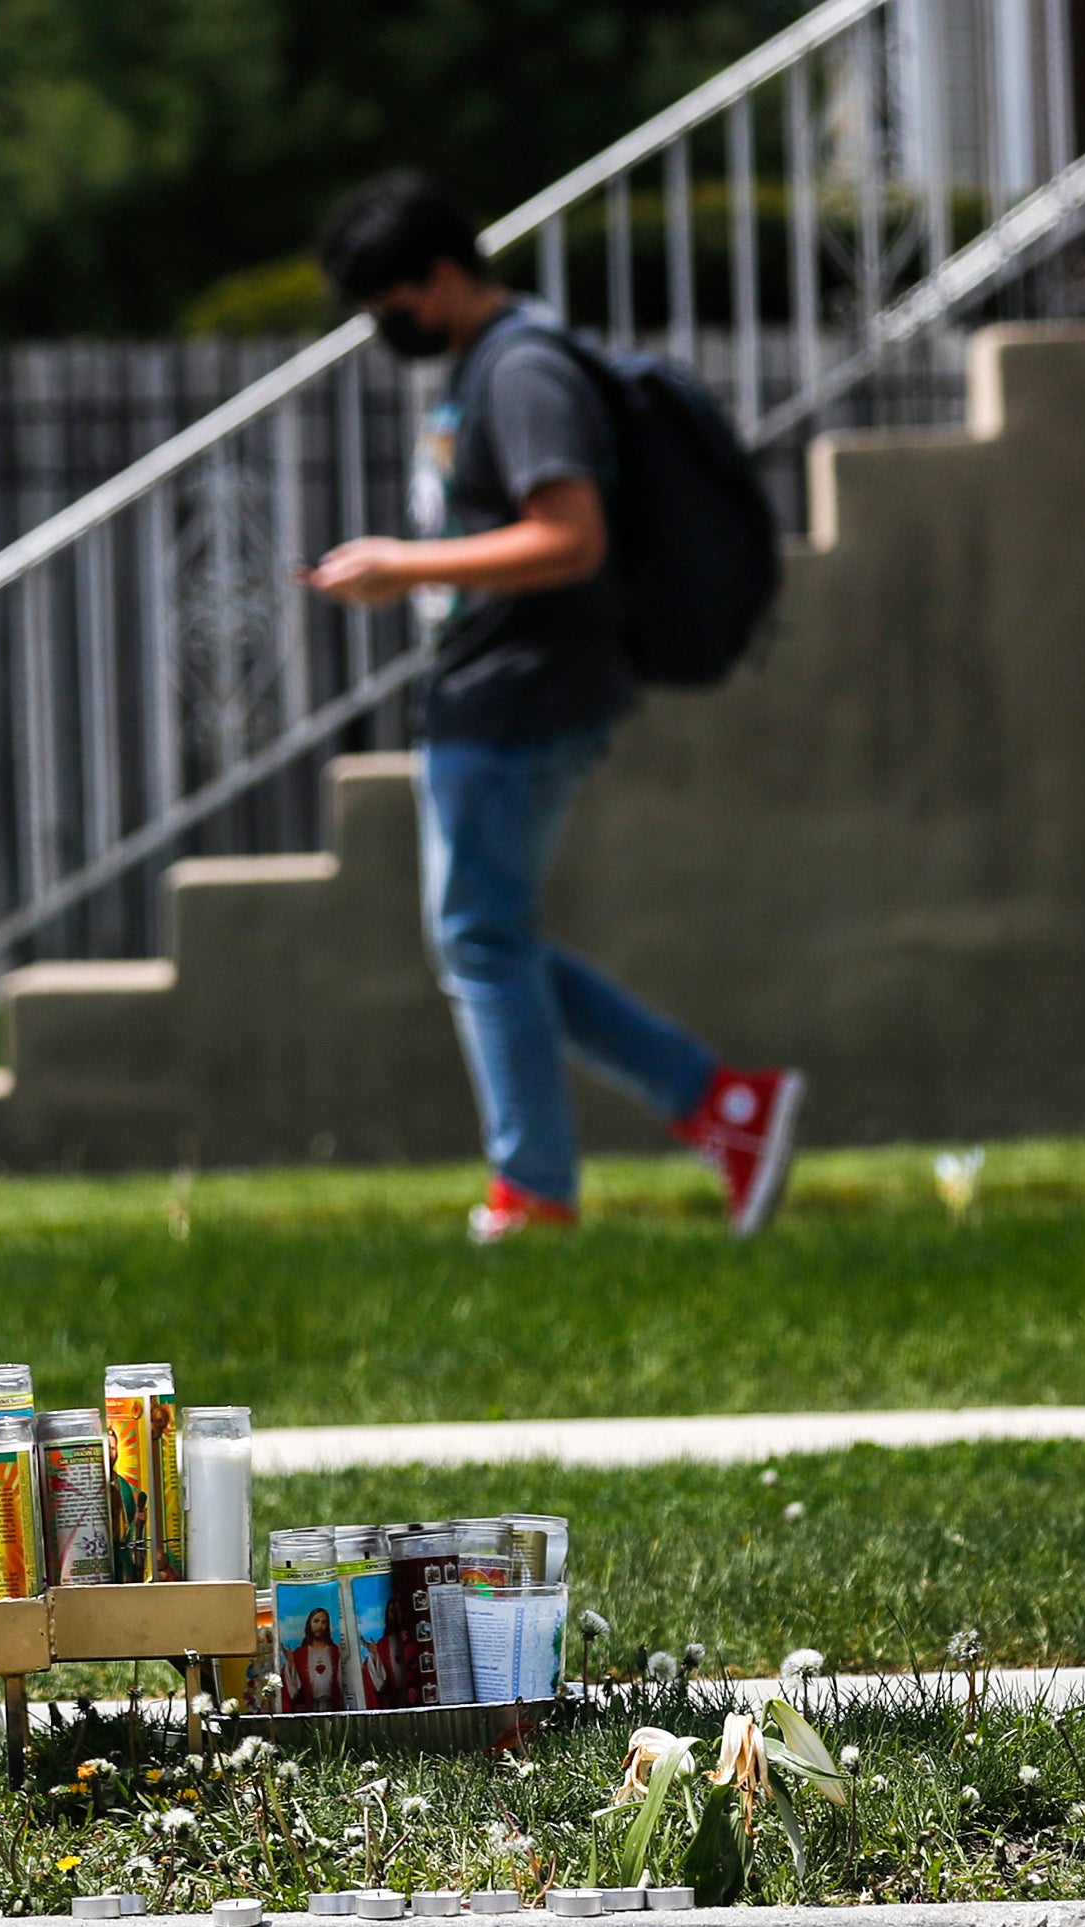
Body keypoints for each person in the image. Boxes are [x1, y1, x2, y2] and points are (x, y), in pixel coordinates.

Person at [301, 168, 802, 1242]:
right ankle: (723, 1105)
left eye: (387, 304)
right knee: (489, 940)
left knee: (480, 939)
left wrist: (406, 564)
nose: (383, 327)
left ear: (437, 277)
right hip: (497, 689)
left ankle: (535, 1193)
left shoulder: (523, 371)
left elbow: (571, 537)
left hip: (525, 692)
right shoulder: (493, 361)